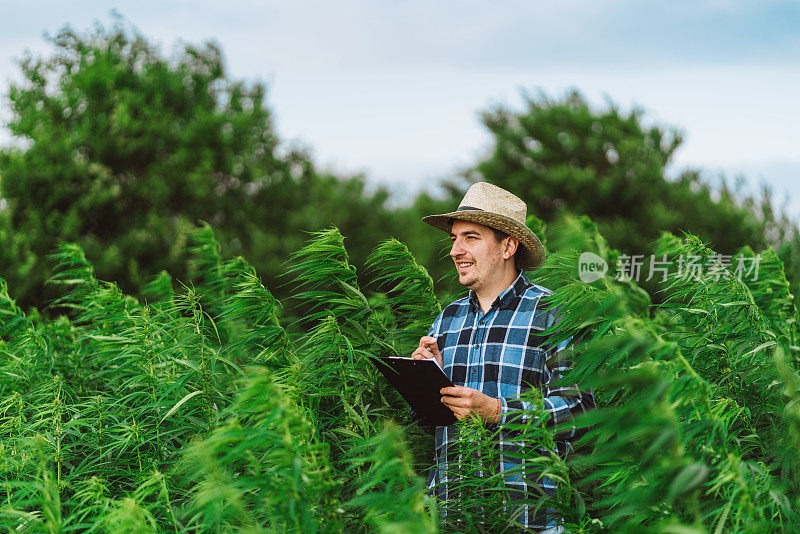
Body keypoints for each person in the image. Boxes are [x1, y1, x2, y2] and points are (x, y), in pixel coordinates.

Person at [411, 181, 594, 532]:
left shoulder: (553, 312)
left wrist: (497, 411)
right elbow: (428, 422)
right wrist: (426, 381)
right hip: (454, 514)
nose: (456, 250)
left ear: (508, 245)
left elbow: (580, 411)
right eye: (454, 238)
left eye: (471, 238)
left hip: (528, 517)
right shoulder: (446, 320)